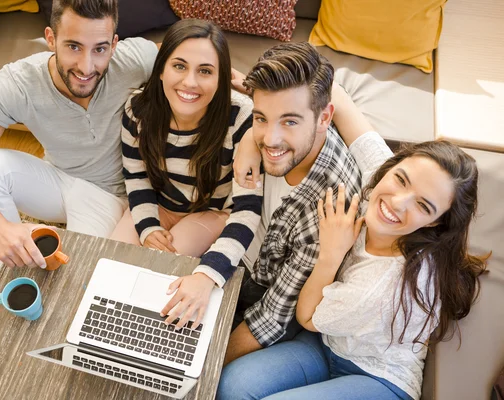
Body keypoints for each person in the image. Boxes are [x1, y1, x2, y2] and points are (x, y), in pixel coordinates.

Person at [0, 0, 159, 385]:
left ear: (115, 43)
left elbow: (200, 65)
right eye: (73, 46)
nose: (87, 66)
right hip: (57, 179)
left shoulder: (136, 58)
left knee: (75, 304)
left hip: (114, 197)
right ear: (51, 38)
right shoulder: (18, 80)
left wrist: (241, 83)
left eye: (100, 49)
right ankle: (15, 290)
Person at [218, 84, 488, 400]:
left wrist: (330, 254)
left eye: (423, 206)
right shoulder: (381, 182)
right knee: (232, 386)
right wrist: (255, 126)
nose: (398, 202)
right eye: (401, 179)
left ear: (437, 222)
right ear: (392, 167)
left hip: (377, 376)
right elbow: (339, 97)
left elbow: (308, 316)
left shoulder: (385, 284)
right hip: (330, 342)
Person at [109, 19, 263, 329]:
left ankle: (150, 337)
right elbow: (137, 179)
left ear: (221, 78)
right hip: (160, 207)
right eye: (179, 66)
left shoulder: (242, 118)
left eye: (205, 71)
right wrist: (148, 227)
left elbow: (248, 211)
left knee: (162, 269)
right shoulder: (137, 111)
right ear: (161, 69)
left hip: (212, 213)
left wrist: (210, 271)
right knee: (109, 265)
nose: (190, 82)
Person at [218, 42, 362, 366]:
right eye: (261, 119)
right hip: (236, 244)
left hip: (266, 291)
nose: (270, 138)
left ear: (324, 117)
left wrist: (205, 364)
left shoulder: (327, 208)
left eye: (290, 122)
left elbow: (272, 317)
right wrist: (246, 141)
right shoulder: (270, 137)